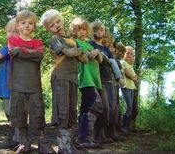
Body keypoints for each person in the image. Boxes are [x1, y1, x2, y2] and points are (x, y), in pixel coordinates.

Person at [41, 9, 87, 153]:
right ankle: (63, 146)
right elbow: (67, 52)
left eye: (58, 22)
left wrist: (79, 51)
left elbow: (85, 60)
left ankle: (70, 144)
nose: (57, 26)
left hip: (73, 78)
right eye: (52, 25)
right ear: (48, 29)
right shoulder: (55, 39)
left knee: (72, 110)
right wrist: (80, 51)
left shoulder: (71, 40)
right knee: (63, 110)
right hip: (60, 77)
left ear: (62, 20)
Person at [7, 10, 53, 153]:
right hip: (17, 84)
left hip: (34, 85)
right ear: (18, 26)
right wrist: (28, 52)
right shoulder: (12, 40)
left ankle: (42, 143)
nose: (27, 26)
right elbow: (12, 52)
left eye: (31, 23)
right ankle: (24, 143)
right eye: (23, 23)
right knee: (19, 114)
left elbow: (39, 55)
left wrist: (21, 51)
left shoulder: (38, 42)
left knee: (38, 113)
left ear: (34, 27)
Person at [70, 17, 103, 149]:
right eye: (79, 29)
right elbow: (86, 56)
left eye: (84, 29)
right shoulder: (75, 42)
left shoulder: (90, 44)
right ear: (74, 31)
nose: (82, 32)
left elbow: (100, 60)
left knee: (85, 109)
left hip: (95, 80)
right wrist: (92, 53)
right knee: (97, 104)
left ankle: (84, 138)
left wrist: (96, 52)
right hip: (85, 80)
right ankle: (85, 137)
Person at [0, 18, 19, 149]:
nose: (11, 34)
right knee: (9, 111)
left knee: (13, 112)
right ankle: (14, 136)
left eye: (15, 31)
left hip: (11, 87)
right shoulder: (7, 48)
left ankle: (14, 137)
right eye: (9, 31)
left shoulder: (10, 48)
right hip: (5, 87)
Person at [120, 46, 138, 133]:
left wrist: (133, 77)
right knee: (129, 107)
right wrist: (133, 77)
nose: (129, 55)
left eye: (131, 54)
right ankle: (123, 126)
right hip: (126, 87)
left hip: (132, 87)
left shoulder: (130, 65)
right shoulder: (122, 62)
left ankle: (127, 126)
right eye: (127, 53)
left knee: (131, 108)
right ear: (124, 54)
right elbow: (130, 75)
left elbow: (135, 78)